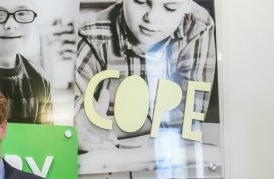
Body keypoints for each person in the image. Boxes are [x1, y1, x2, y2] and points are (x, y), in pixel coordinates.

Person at [74, 0, 216, 151]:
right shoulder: (93, 34)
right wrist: (80, 123)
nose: (152, 17)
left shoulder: (198, 26)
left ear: (188, 4)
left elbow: (190, 111)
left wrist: (111, 126)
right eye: (140, 1)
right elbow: (69, 105)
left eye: (170, 7)